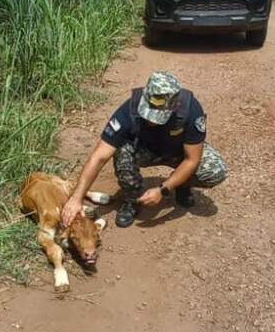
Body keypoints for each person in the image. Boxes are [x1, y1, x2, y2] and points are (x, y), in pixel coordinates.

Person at [61, 70, 228, 229]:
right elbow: (98, 157)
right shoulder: (129, 110)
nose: (152, 121)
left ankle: (181, 185)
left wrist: (163, 189)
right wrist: (76, 198)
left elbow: (192, 159)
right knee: (122, 150)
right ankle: (131, 199)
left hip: (178, 153)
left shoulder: (190, 110)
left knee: (216, 170)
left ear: (175, 105)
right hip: (145, 151)